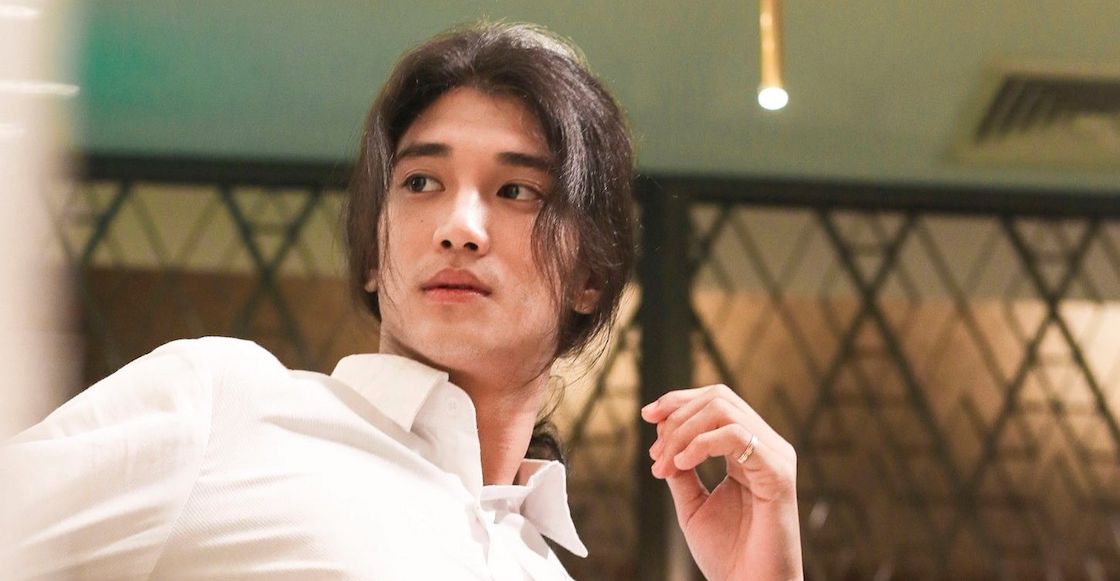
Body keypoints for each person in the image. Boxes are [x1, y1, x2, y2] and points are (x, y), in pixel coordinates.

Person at [1, 22, 802, 580]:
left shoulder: (537, 565)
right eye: (421, 182)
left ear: (589, 274)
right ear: (373, 252)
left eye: (516, 191)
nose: (458, 227)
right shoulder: (227, 409)